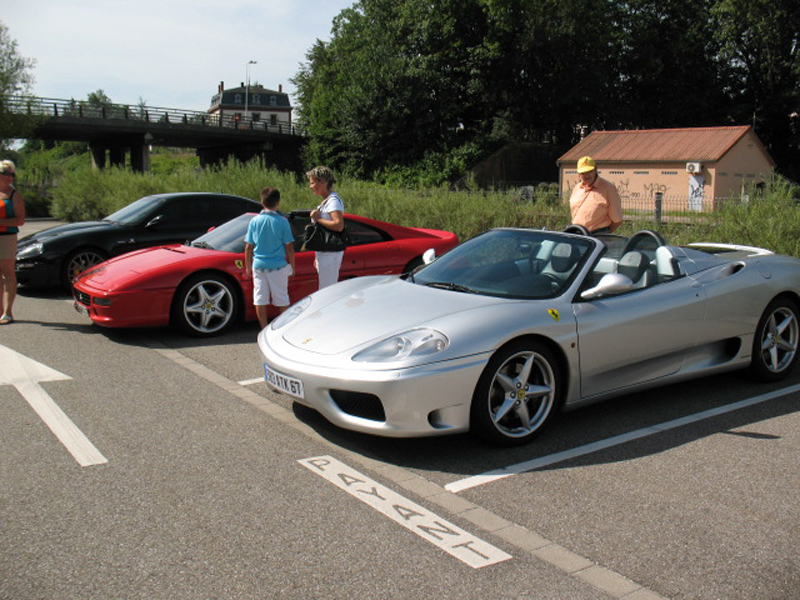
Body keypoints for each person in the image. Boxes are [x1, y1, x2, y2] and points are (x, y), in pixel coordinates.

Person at [244, 187, 295, 330]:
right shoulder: (282, 222)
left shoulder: (254, 221)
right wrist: (292, 266)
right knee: (281, 298)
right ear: (278, 202)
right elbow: (289, 247)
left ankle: (263, 328)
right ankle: (283, 328)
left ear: (262, 202)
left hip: (259, 265)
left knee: (260, 298)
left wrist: (248, 266)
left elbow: (248, 246)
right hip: (278, 266)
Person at [306, 166, 345, 289]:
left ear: (322, 182)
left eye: (312, 183)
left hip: (330, 254)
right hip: (325, 253)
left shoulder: (333, 201)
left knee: (327, 291)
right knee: (326, 289)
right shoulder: (326, 201)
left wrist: (318, 218)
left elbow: (338, 225)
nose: (310, 186)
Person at [568, 156, 623, 234]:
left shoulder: (608, 188)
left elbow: (617, 221)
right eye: (583, 173)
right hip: (577, 234)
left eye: (590, 171)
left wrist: (604, 235)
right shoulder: (577, 188)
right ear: (579, 174)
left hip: (598, 236)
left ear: (596, 169)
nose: (587, 175)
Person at [0, 160, 25, 325]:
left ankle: (7, 312)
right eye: (6, 174)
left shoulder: (14, 195)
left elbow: (20, 220)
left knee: (8, 273)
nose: (10, 177)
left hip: (7, 238)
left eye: (12, 174)